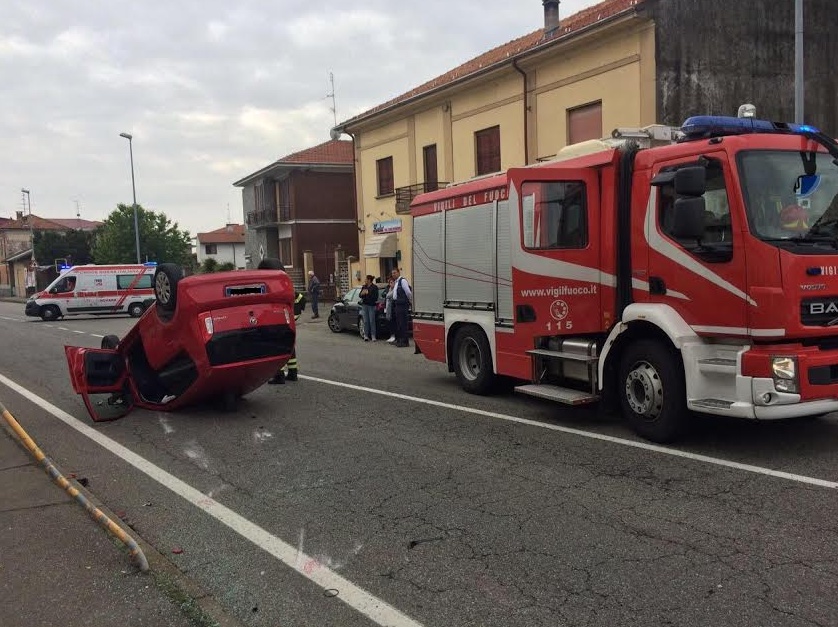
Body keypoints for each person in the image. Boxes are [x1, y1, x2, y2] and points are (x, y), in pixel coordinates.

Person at [258, 258, 305, 384]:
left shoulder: (271, 286)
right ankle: (293, 372)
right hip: (288, 318)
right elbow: (300, 298)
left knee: (275, 346)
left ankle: (279, 375)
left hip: (277, 319)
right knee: (289, 344)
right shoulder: (285, 284)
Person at [390, 268, 412, 348]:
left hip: (402, 305)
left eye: (395, 272)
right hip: (397, 304)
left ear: (398, 273)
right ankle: (400, 340)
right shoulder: (396, 282)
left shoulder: (402, 281)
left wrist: (409, 301)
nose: (393, 274)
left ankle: (404, 342)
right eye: (392, 273)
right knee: (399, 323)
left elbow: (408, 292)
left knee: (403, 323)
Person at [358, 275, 379, 341]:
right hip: (364, 305)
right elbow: (360, 295)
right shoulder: (364, 287)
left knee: (372, 321)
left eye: (366, 279)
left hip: (371, 306)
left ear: (369, 280)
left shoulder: (374, 287)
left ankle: (373, 336)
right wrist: (362, 294)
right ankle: (366, 335)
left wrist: (368, 293)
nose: (365, 280)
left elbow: (375, 297)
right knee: (366, 321)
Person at [384, 278, 396, 343]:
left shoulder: (394, 290)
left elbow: (388, 295)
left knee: (393, 322)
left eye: (391, 282)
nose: (390, 284)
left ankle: (393, 336)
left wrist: (387, 294)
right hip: (388, 308)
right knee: (389, 322)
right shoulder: (389, 289)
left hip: (392, 308)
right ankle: (391, 336)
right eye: (389, 283)